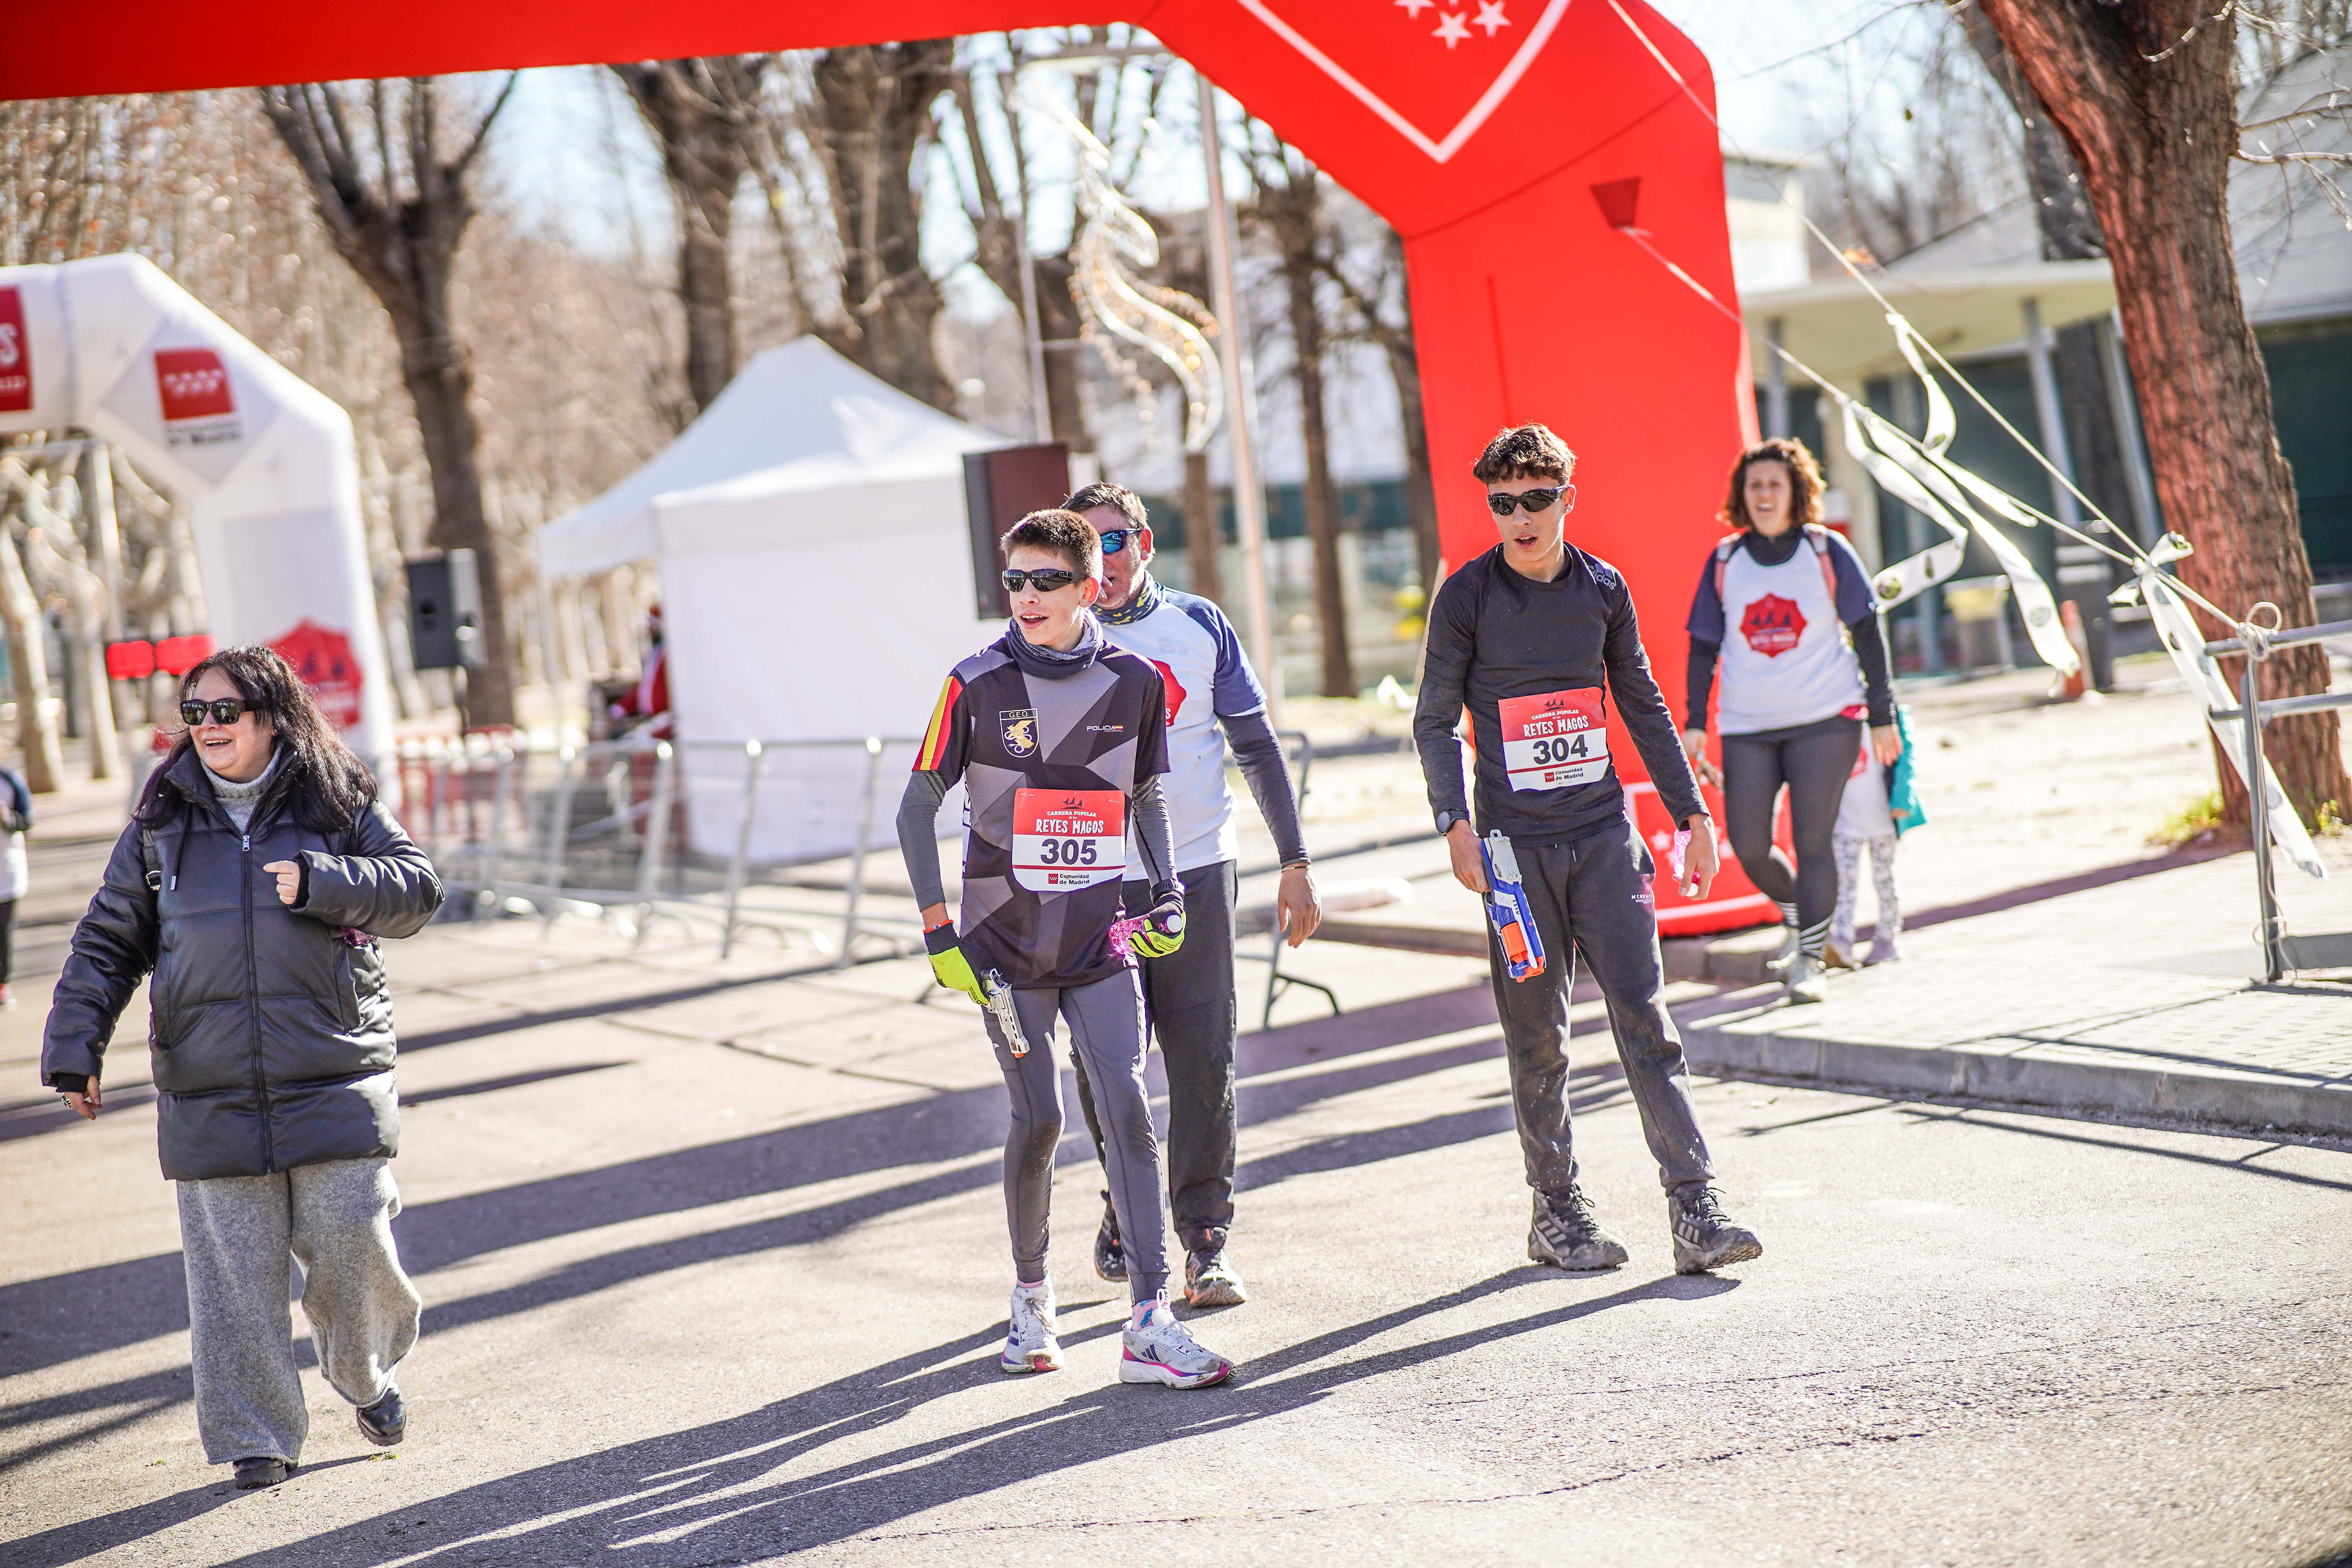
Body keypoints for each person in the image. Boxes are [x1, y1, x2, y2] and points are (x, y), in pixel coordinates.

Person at [40, 646, 444, 1490]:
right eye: (195, 712)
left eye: (226, 711)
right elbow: (108, 940)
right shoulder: (162, 819)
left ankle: (366, 1375)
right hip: (210, 1084)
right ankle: (256, 1434)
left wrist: (326, 881)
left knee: (354, 1242)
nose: (208, 726)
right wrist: (75, 1048)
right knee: (232, 1283)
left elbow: (417, 889)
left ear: (272, 716)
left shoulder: (336, 797)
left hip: (333, 1071)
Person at [1412, 423, 1761, 1276]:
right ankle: (1557, 1212)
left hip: (1604, 836)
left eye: (1537, 499)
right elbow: (1434, 719)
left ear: (1568, 497)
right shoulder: (1467, 596)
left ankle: (1696, 1207)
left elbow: (1642, 701)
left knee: (1647, 1019)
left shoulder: (1603, 587)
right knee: (1539, 1038)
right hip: (1512, 851)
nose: (1521, 518)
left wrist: (1693, 816)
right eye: (1503, 503)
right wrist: (1454, 824)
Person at [897, 509, 1234, 1388]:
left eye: (1047, 580)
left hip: (1097, 938)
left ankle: (1151, 1320)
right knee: (1041, 1117)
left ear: (1090, 587)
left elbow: (1147, 794)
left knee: (1128, 1105)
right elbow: (916, 805)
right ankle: (1032, 1295)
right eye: (1016, 579)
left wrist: (1168, 890)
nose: (1028, 595)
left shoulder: (1133, 681)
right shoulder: (974, 682)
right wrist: (938, 930)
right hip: (1002, 949)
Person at [1059, 481, 1320, 1310]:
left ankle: (1206, 1242)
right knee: (1108, 1064)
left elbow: (1258, 745)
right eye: (1082, 545)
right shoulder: (1054, 635)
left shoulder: (1199, 624)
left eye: (1112, 541)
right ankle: (1123, 1196)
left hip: (1198, 869)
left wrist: (1295, 859)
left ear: (1144, 544)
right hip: (1094, 882)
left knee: (1205, 1058)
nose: (1099, 560)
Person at [1681, 437, 1898, 1005]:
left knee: (1812, 840)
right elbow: (1702, 645)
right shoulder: (1726, 561)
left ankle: (1810, 961)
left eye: (1775, 484)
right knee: (1749, 843)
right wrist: (1695, 720)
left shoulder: (1826, 550)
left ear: (1795, 491)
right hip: (1747, 725)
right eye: (1755, 484)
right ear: (1742, 494)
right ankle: (1804, 920)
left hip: (1826, 718)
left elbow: (1868, 632)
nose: (1765, 494)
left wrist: (1883, 715)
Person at [1827, 703, 1923, 969]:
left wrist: (1904, 799)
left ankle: (1887, 938)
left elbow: (1907, 760)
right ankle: (1842, 938)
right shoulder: (1832, 713)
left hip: (1883, 819)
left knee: (1884, 879)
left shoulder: (1893, 714)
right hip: (1846, 819)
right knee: (1843, 881)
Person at [0, 759, 31, 1010]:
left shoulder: (10, 780)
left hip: (7, 875)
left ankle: (2, 984)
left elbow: (27, 820)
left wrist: (7, 817)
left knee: (3, 934)